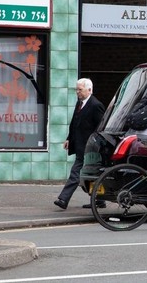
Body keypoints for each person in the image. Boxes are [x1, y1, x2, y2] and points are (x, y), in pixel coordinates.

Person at [54, 78, 106, 210]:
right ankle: (99, 201)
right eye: (76, 89)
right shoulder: (80, 103)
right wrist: (69, 138)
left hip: (89, 147)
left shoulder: (95, 105)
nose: (77, 92)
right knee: (91, 174)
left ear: (89, 90)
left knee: (76, 172)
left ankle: (63, 199)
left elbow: (101, 128)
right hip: (79, 144)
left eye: (80, 89)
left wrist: (95, 144)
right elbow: (74, 123)